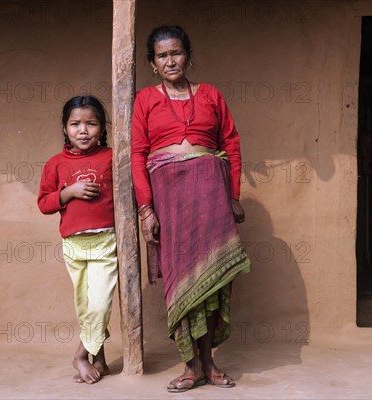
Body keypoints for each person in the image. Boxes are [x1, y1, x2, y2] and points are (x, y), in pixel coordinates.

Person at [131, 25, 251, 393]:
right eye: (162, 55)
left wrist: (233, 194)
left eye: (177, 53)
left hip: (212, 197)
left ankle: (210, 362)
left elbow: (230, 144)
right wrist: (146, 209)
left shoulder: (211, 94)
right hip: (170, 202)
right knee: (180, 280)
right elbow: (137, 154)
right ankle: (190, 365)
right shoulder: (146, 100)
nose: (171, 60)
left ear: (188, 56)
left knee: (213, 279)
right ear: (153, 64)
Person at [38, 96, 117, 384]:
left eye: (91, 124)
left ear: (102, 128)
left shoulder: (111, 157)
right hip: (73, 244)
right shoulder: (55, 164)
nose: (83, 131)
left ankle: (80, 355)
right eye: (75, 124)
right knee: (86, 308)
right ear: (65, 129)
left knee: (100, 305)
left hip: (105, 241)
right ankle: (102, 360)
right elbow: (44, 203)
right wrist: (68, 192)